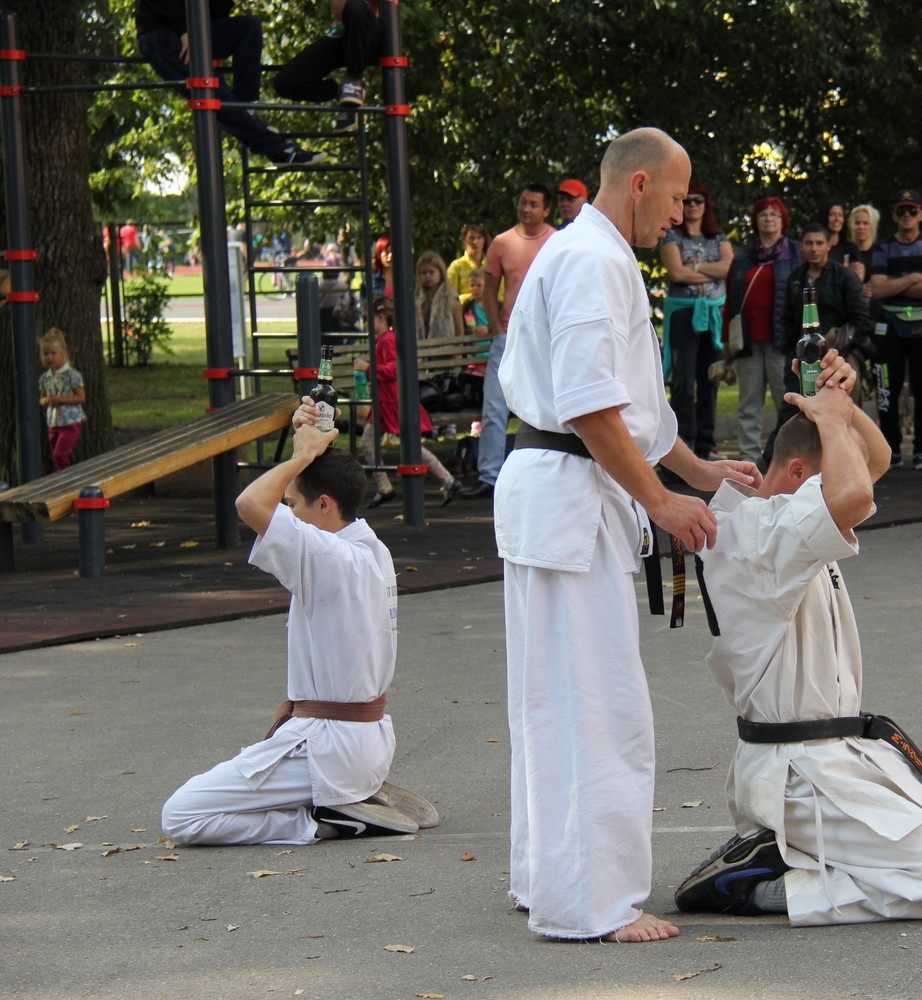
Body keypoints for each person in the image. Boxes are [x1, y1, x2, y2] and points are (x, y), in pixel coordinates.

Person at [494, 126, 760, 943]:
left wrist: (695, 468)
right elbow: (585, 402)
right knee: (597, 708)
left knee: (554, 702)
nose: (682, 218)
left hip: (563, 493)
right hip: (573, 493)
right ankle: (592, 903)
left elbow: (628, 406)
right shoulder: (591, 260)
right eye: (678, 199)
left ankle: (548, 878)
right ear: (639, 184)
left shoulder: (594, 256)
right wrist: (659, 501)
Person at [673, 369, 922, 925]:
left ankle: (790, 856)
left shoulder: (778, 512)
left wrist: (839, 402)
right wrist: (834, 420)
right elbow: (854, 490)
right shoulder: (759, 536)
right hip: (795, 769)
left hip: (835, 754)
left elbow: (872, 464)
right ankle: (755, 887)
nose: (846, 486)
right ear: (799, 472)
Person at [161, 397, 436, 846]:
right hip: (360, 743)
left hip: (330, 746)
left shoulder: (331, 557)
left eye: (292, 503)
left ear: (324, 504)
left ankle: (323, 820)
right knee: (224, 800)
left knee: (182, 815)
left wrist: (303, 455)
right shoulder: (370, 549)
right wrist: (309, 442)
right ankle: (345, 797)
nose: (285, 512)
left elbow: (250, 503)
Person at [135, 0, 324, 167]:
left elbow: (216, 12)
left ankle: (247, 108)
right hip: (163, 33)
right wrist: (185, 28)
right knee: (213, 92)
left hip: (196, 29)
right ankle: (276, 149)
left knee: (248, 28)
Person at [461, 185, 557, 500]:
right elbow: (489, 289)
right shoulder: (502, 243)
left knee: (548, 405)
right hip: (508, 334)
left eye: (533, 204)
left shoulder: (557, 241)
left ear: (546, 210)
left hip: (546, 335)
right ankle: (490, 475)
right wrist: (495, 327)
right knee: (494, 405)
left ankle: (546, 473)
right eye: (522, 202)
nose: (526, 209)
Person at [769, 222, 872, 460]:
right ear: (802, 246)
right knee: (795, 413)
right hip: (802, 361)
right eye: (809, 243)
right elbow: (785, 319)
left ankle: (847, 464)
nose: (814, 248)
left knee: (840, 416)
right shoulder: (796, 277)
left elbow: (862, 321)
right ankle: (785, 465)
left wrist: (840, 340)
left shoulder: (845, 276)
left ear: (829, 245)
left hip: (838, 359)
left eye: (819, 243)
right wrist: (790, 354)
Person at [354, 297, 460, 507]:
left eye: (368, 318)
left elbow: (394, 370)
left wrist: (367, 368)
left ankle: (447, 480)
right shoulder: (383, 340)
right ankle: (386, 486)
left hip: (392, 402)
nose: (365, 322)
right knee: (371, 443)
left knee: (409, 447)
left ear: (381, 317)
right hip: (385, 402)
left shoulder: (387, 340)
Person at [870, 187, 922, 470]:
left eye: (912, 210)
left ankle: (921, 449)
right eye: (901, 211)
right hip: (888, 325)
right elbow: (877, 288)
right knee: (886, 387)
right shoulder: (883, 248)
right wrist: (915, 278)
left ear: (921, 214)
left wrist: (896, 284)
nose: (906, 216)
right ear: (893, 215)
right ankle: (892, 450)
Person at [660, 181, 733, 459]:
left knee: (710, 379)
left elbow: (729, 268)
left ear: (706, 204)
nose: (692, 205)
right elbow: (676, 274)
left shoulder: (719, 238)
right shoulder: (671, 236)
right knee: (683, 380)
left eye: (698, 200)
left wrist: (696, 267)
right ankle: (683, 445)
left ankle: (707, 444)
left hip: (714, 313)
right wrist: (712, 272)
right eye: (687, 200)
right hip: (684, 314)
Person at [726, 196, 802, 466]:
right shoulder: (744, 255)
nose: (768, 219)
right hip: (748, 341)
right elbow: (731, 297)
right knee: (749, 404)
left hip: (782, 342)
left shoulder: (795, 253)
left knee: (788, 401)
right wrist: (727, 342)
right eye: (763, 214)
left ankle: (785, 456)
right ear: (755, 221)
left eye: (774, 214)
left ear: (783, 220)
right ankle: (748, 458)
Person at [272, 0, 381, 133]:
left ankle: (353, 82)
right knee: (286, 82)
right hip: (345, 31)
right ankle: (343, 93)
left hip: (374, 33)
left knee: (355, 6)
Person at [38, 329, 86, 471]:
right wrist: (46, 400)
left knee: (60, 455)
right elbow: (41, 398)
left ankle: (66, 478)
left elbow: (81, 397)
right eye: (46, 354)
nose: (49, 357)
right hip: (53, 422)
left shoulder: (72, 375)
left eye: (53, 353)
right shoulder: (45, 378)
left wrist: (61, 399)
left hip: (70, 422)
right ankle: (62, 476)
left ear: (63, 353)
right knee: (55, 455)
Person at [412, 250, 463, 341]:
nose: (427, 276)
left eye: (431, 272)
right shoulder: (416, 299)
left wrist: (458, 353)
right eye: (423, 273)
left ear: (441, 272)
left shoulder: (451, 298)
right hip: (421, 349)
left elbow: (459, 329)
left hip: (446, 349)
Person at [446, 222, 489, 295]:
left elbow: (501, 295)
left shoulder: (493, 265)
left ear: (484, 240)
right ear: (464, 241)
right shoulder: (456, 266)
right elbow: (450, 297)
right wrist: (473, 297)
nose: (475, 242)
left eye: (479, 238)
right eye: (471, 238)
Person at [845, 203, 879, 285]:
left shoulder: (880, 252)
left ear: (873, 226)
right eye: (857, 223)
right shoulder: (844, 252)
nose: (861, 227)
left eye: (865, 223)